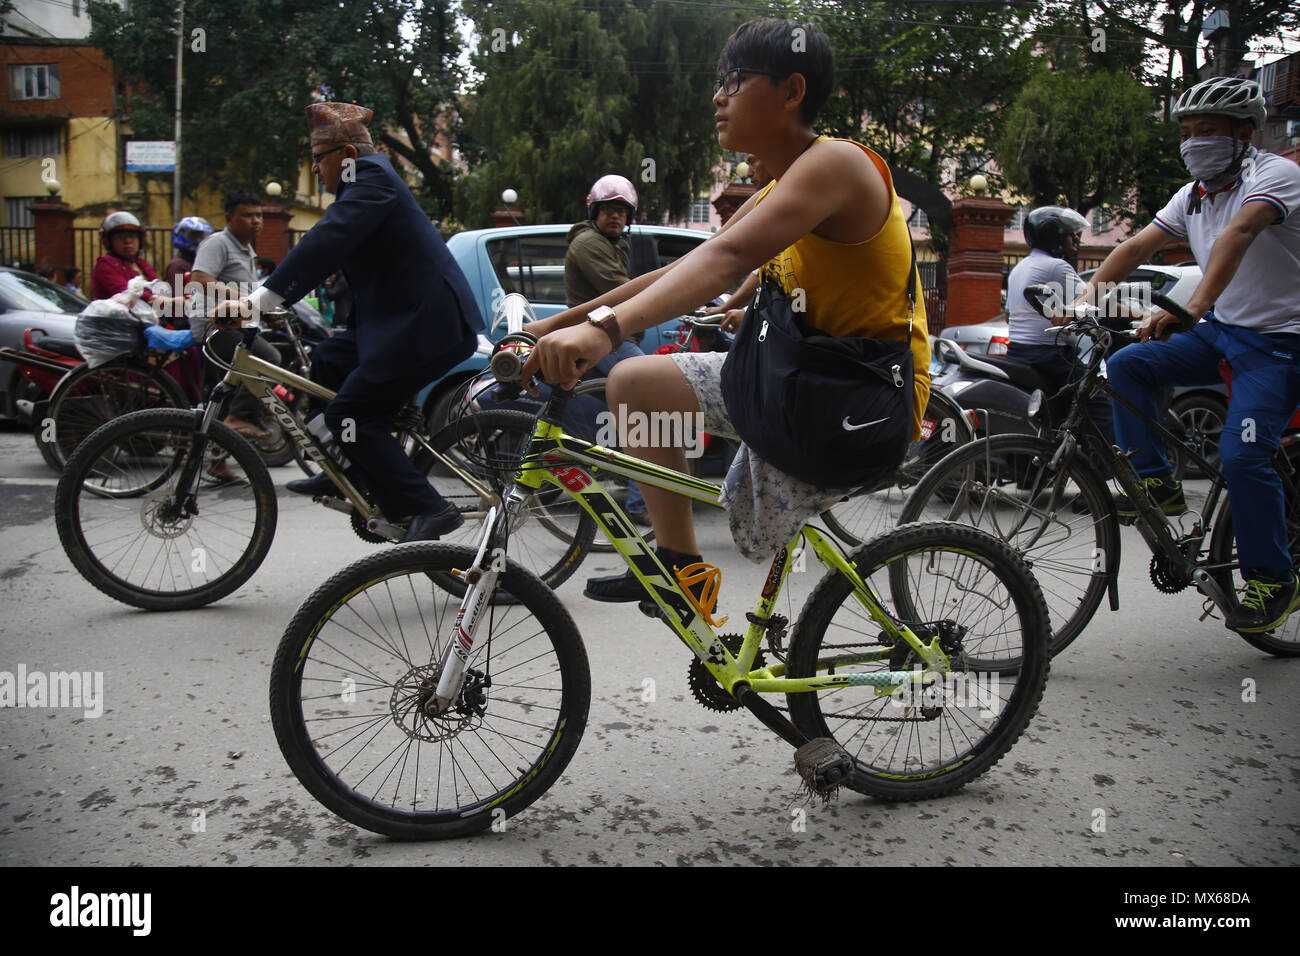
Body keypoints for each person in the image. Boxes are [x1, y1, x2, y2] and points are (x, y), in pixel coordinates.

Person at [521, 17, 930, 602]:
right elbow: (685, 267)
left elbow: (727, 258)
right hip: (793, 378)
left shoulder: (839, 163)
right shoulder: (778, 186)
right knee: (635, 383)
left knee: (631, 374)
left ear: (792, 91)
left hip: (855, 398)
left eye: (735, 80)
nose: (718, 96)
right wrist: (558, 323)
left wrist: (604, 332)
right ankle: (682, 574)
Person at [1082, 76, 1300, 633]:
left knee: (1244, 455)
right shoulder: (1193, 195)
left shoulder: (1275, 176)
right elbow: (1134, 246)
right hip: (1225, 332)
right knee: (1127, 365)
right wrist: (1083, 298)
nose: (1192, 141)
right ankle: (1157, 482)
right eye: (1185, 132)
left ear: (1244, 133)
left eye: (1206, 130)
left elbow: (1239, 234)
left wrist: (1191, 308)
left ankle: (1274, 579)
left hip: (1279, 345)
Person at [211, 102, 484, 543]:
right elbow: (337, 252)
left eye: (320, 158)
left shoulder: (371, 181)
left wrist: (258, 302)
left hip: (428, 326)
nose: (316, 169)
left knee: (354, 413)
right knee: (328, 359)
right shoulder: (366, 184)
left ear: (347, 156)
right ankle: (347, 469)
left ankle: (430, 508)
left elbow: (327, 240)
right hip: (400, 320)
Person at [562, 174, 648, 522]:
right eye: (608, 210)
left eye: (622, 212)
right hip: (607, 340)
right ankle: (641, 505)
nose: (615, 217)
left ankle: (631, 482)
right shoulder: (589, 244)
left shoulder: (613, 245)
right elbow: (622, 290)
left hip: (613, 338)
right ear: (594, 212)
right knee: (652, 405)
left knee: (629, 418)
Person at [1005, 205, 1115, 466]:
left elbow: (1012, 315)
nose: (1076, 240)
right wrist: (1137, 311)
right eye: (1070, 235)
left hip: (1019, 352)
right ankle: (1097, 480)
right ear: (1053, 236)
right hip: (1049, 355)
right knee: (1099, 405)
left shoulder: (1019, 268)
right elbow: (1095, 299)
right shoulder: (1057, 267)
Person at [191, 192, 282, 439]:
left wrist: (264, 312)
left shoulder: (246, 250)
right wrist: (243, 301)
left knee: (225, 392)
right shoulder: (217, 243)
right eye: (248, 215)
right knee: (269, 359)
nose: (256, 221)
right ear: (229, 218)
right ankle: (241, 416)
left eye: (259, 215)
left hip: (236, 322)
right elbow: (199, 280)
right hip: (216, 325)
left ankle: (216, 461)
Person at [165, 216, 214, 287]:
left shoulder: (201, 261)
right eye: (197, 236)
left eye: (202, 237)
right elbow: (180, 294)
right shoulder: (177, 265)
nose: (201, 240)